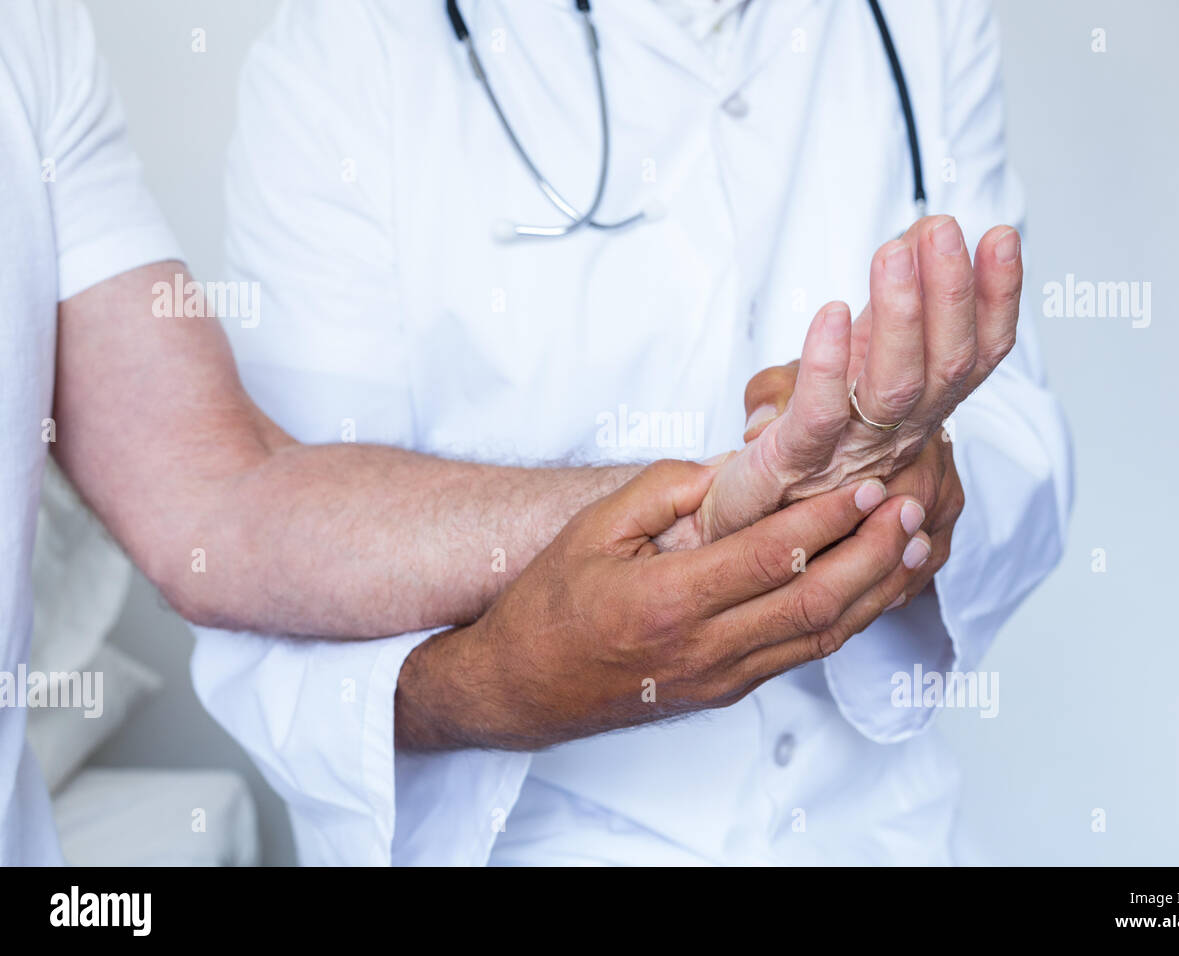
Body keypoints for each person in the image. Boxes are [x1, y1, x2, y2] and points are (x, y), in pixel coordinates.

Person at [0, 0, 903, 865]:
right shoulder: (342, 52)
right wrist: (724, 507)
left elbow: (213, 499)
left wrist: (726, 499)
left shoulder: (31, 33)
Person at [189, 0, 1073, 865]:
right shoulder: (349, 47)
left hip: (881, 833)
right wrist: (499, 686)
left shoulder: (924, 17)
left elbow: (1016, 433)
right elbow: (272, 562)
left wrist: (920, 488)